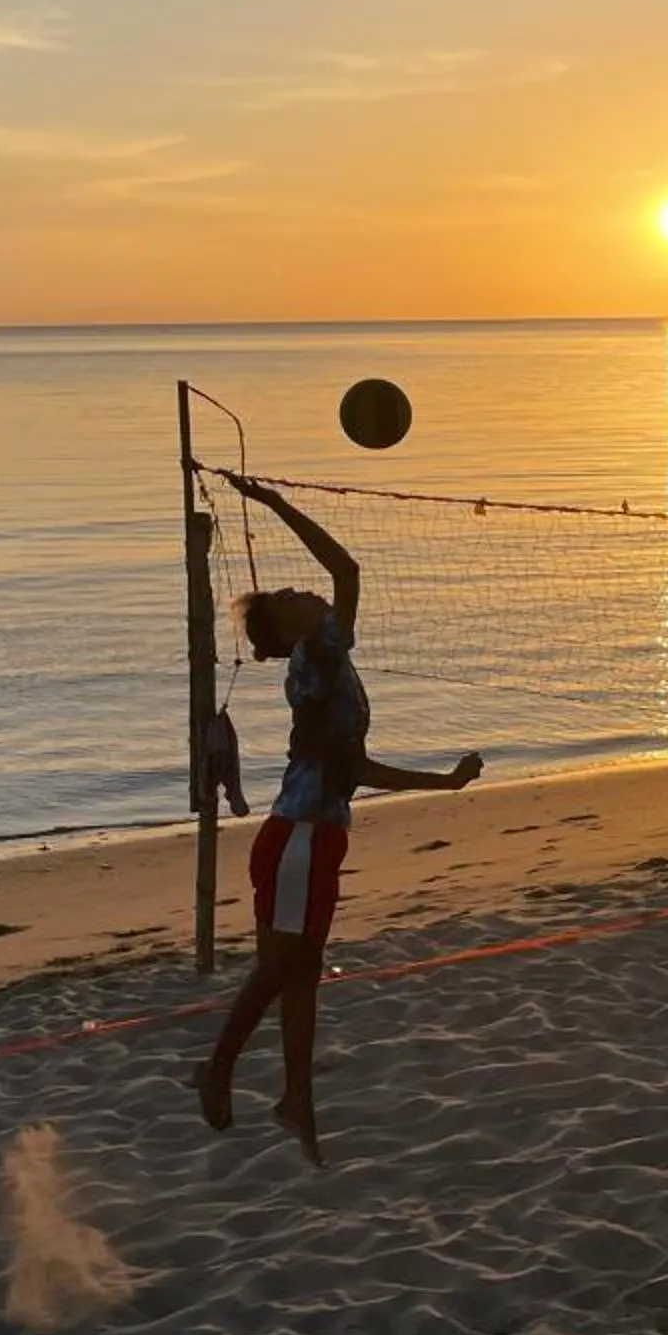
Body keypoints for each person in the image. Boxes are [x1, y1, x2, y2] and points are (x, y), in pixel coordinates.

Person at [198, 470, 486, 1161]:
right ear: (287, 627)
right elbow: (347, 570)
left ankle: (297, 1098)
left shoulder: (325, 655)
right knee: (281, 969)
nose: (304, 590)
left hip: (314, 836)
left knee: (301, 974)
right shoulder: (315, 658)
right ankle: (218, 1068)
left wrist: (445, 784)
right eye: (290, 596)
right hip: (298, 836)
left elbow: (354, 767)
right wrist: (273, 502)